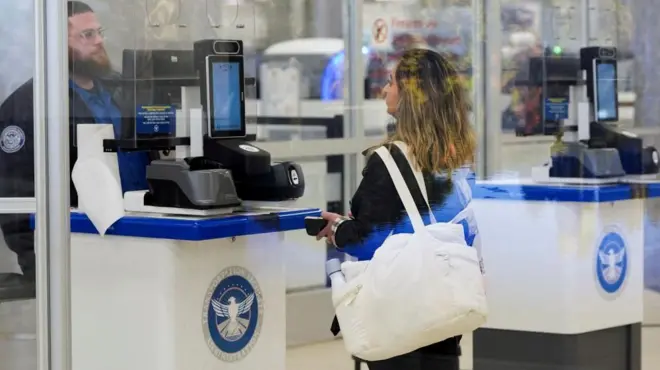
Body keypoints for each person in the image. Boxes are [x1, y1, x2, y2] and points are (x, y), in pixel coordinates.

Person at [317, 48, 480, 370]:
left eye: (391, 82)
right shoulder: (456, 155)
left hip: (400, 311)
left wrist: (336, 229)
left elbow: (368, 239)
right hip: (445, 304)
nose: (384, 90)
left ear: (410, 96)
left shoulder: (390, 161)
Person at [0, 1, 153, 301]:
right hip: (80, 251)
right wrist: (39, 264)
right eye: (86, 35)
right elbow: (15, 192)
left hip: (146, 241)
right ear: (58, 43)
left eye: (99, 32)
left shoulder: (124, 89)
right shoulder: (29, 106)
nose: (99, 41)